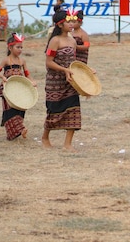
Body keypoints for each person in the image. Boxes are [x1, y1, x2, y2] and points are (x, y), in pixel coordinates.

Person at [42, 9, 81, 152]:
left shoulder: (72, 40)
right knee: (54, 110)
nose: (71, 24)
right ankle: (45, 137)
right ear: (60, 24)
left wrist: (87, 71)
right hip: (55, 82)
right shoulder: (55, 41)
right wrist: (64, 70)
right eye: (68, 21)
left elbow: (74, 61)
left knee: (74, 110)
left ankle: (68, 144)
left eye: (72, 21)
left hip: (70, 81)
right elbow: (49, 62)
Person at [0, 33, 36, 140]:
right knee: (9, 110)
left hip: (19, 89)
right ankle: (16, 131)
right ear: (10, 47)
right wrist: (2, 77)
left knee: (20, 109)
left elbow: (27, 74)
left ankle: (20, 129)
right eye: (18, 47)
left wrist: (32, 81)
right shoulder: (6, 60)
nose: (20, 49)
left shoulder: (22, 61)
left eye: (21, 47)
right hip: (8, 89)